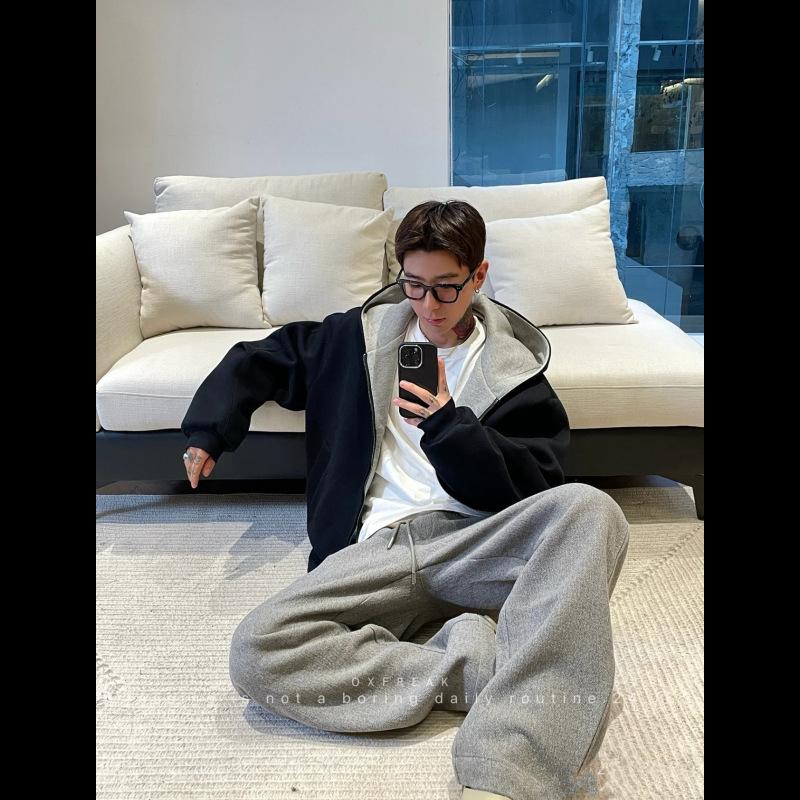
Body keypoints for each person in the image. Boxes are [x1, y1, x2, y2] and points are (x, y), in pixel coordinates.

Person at [181, 200, 630, 799]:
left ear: (479, 275)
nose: (429, 305)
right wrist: (208, 432)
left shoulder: (517, 373)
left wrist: (447, 426)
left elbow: (530, 489)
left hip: (471, 543)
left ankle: (511, 766)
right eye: (413, 285)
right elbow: (261, 359)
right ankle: (497, 672)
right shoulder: (353, 339)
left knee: (591, 510)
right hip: (373, 548)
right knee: (259, 651)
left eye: (446, 287)